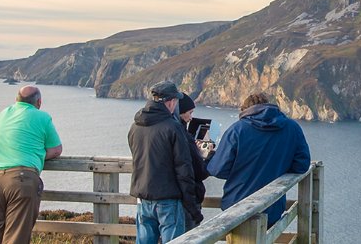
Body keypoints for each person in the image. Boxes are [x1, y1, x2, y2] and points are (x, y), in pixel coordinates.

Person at [207, 92, 311, 227]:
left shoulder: (237, 130)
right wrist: (277, 166)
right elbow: (302, 165)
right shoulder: (292, 127)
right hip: (272, 206)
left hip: (237, 206)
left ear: (245, 110)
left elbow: (218, 170)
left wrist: (210, 157)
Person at [0, 85, 62, 244]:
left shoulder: (3, 114)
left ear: (16, 101)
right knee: (16, 237)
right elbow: (56, 149)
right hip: (21, 181)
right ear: (39, 102)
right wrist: (35, 155)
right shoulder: (42, 117)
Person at [128, 81, 199, 243]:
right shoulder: (173, 128)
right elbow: (184, 169)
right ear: (171, 101)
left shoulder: (135, 126)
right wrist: (191, 204)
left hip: (143, 197)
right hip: (168, 198)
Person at [176, 94, 212, 229]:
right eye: (190, 113)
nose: (191, 117)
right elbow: (200, 172)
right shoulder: (183, 136)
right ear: (181, 112)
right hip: (188, 199)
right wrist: (208, 155)